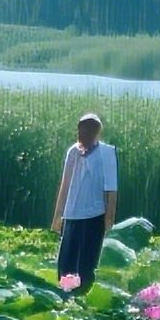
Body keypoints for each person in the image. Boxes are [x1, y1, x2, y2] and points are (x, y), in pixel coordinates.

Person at [50, 113, 116, 287]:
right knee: (66, 264)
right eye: (81, 130)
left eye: (88, 130)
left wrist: (109, 218)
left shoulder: (107, 153)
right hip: (72, 214)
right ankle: (66, 294)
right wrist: (57, 216)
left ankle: (84, 293)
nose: (83, 134)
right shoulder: (73, 152)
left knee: (87, 265)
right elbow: (64, 186)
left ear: (96, 132)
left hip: (95, 215)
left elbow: (112, 189)